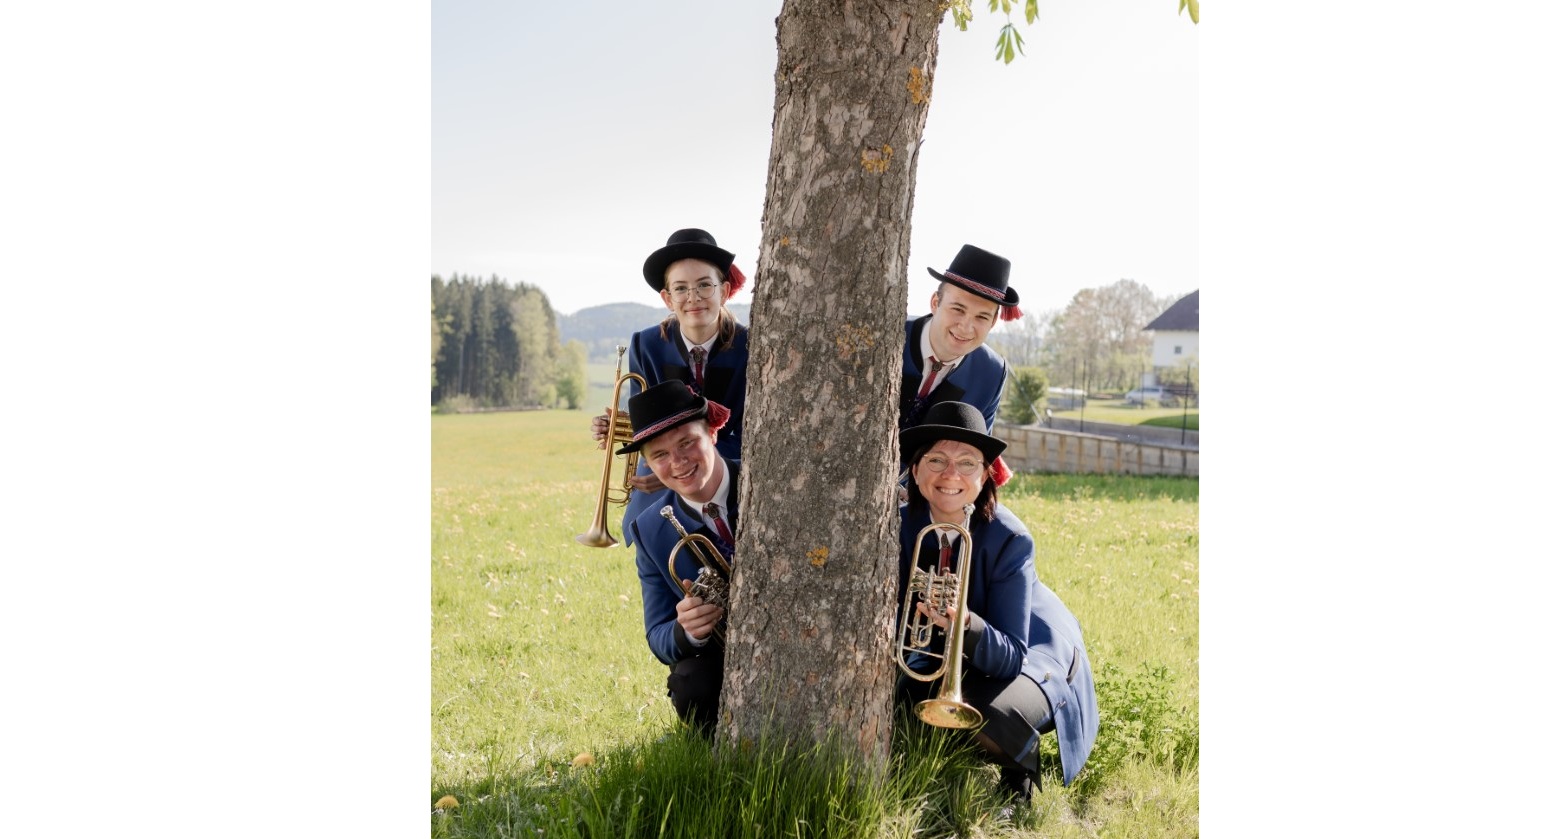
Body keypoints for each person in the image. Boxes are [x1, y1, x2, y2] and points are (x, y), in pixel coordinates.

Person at [895, 401, 1099, 805]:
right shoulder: (900, 526)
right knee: (911, 710)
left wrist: (965, 624)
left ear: (985, 475)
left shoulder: (1010, 538)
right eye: (936, 460)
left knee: (988, 716)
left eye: (966, 463)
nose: (950, 474)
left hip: (1033, 652)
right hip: (959, 656)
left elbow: (1011, 656)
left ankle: (1019, 770)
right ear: (915, 471)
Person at [591, 227, 750, 546]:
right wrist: (621, 427)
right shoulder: (646, 344)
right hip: (662, 474)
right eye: (681, 288)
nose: (693, 297)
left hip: (730, 475)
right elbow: (649, 420)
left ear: (724, 290)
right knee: (655, 543)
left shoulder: (749, 346)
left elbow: (751, 434)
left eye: (704, 285)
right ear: (667, 299)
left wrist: (695, 462)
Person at [617, 379, 740, 736]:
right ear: (648, 465)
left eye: (687, 443)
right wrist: (687, 631)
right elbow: (657, 633)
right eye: (660, 455)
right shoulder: (649, 531)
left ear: (712, 434)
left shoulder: (766, 483)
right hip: (725, 653)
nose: (678, 462)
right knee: (689, 683)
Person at [899, 244, 1021, 434]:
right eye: (958, 309)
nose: (965, 327)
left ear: (993, 321)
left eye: (981, 317)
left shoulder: (991, 372)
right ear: (935, 303)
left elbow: (976, 447)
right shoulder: (894, 335)